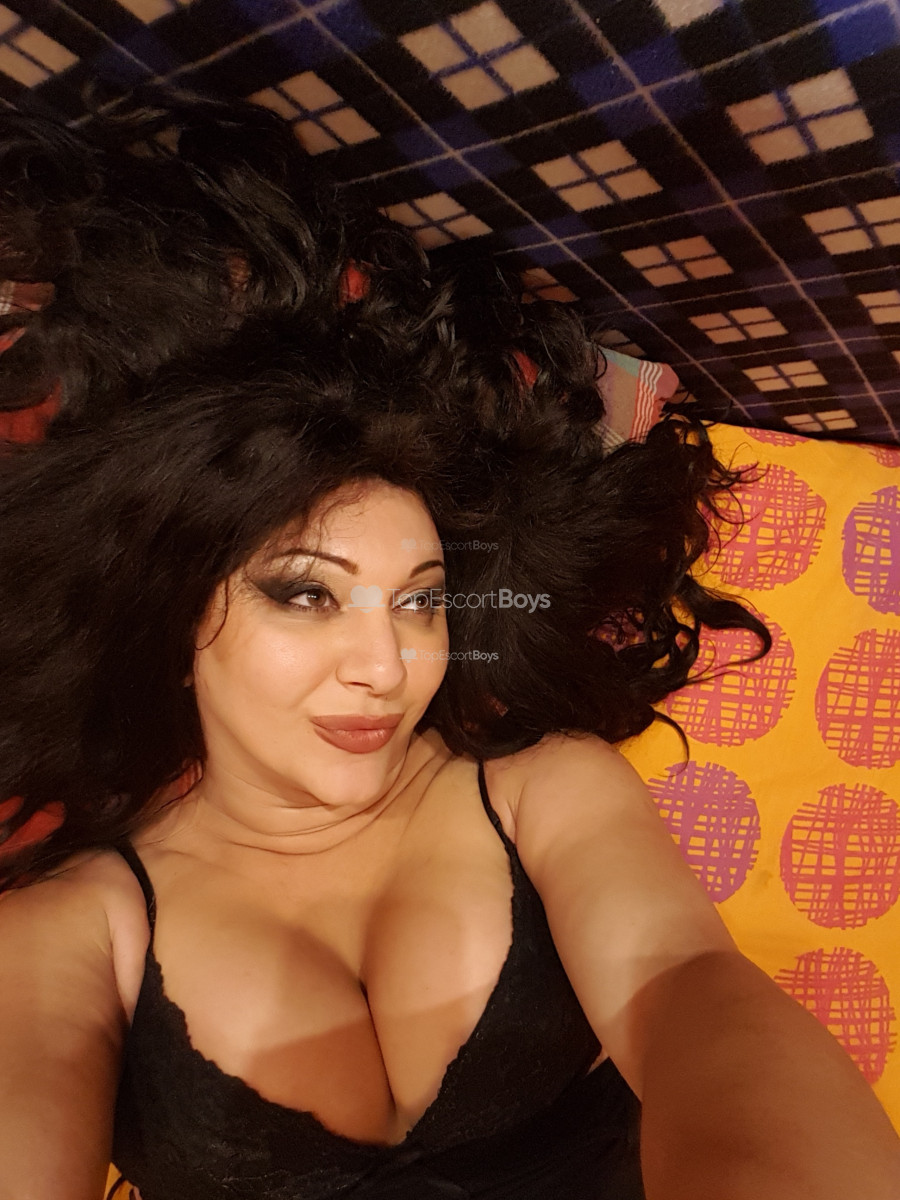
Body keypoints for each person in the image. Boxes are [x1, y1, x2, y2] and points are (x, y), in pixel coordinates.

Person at [0, 318, 898, 1200]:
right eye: (309, 595)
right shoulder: (76, 924)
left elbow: (684, 984)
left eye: (419, 603)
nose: (387, 667)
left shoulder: (541, 789)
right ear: (173, 621)